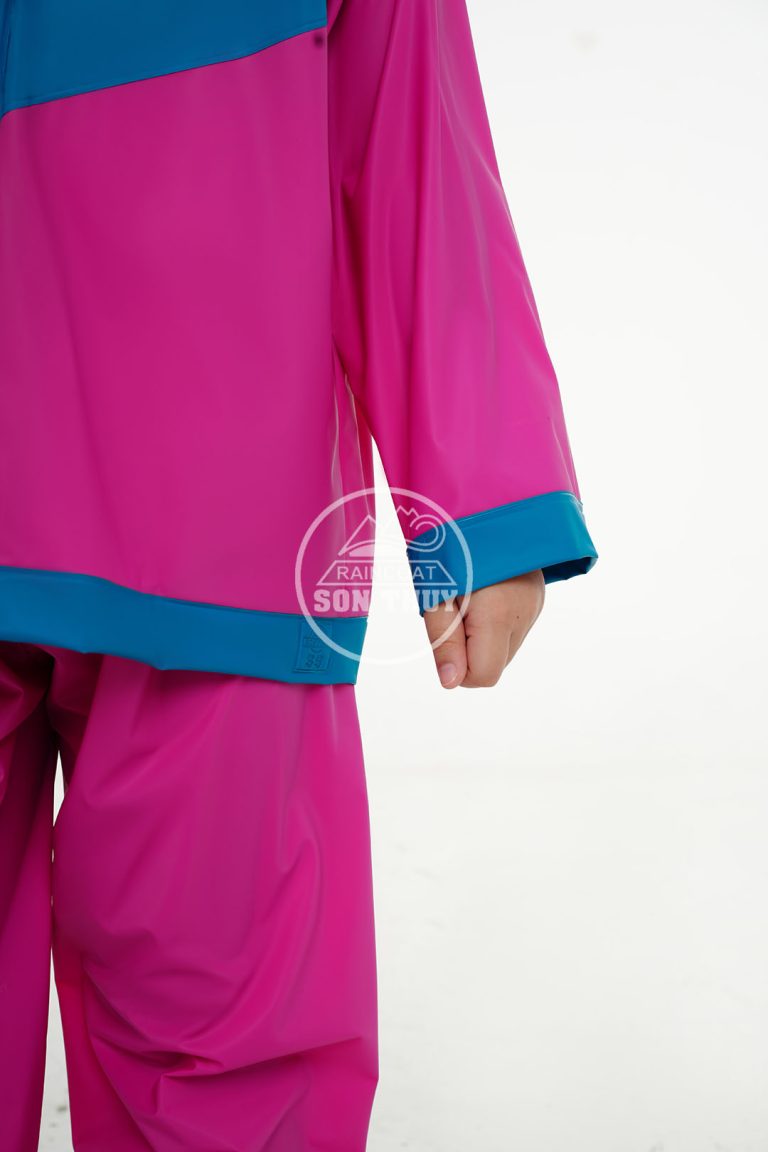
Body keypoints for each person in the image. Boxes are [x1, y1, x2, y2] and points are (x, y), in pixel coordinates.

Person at [0, 1, 598, 1148]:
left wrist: (483, 494)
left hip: (210, 529)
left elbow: (401, 115)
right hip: (215, 512)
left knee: (225, 1027)